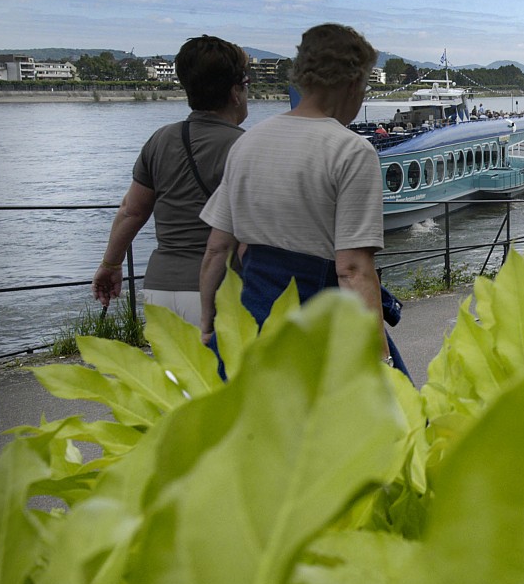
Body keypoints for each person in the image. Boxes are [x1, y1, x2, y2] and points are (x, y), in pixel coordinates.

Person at [198, 23, 406, 375]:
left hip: (252, 325)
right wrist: (383, 362)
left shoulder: (247, 143)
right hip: (321, 330)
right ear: (354, 82)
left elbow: (217, 250)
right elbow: (352, 269)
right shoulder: (352, 150)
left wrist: (208, 326)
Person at [91, 35, 248, 327]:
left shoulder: (161, 139)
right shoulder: (245, 147)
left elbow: (132, 211)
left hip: (160, 289)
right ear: (236, 92)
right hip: (220, 291)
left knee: (172, 373)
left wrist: (111, 264)